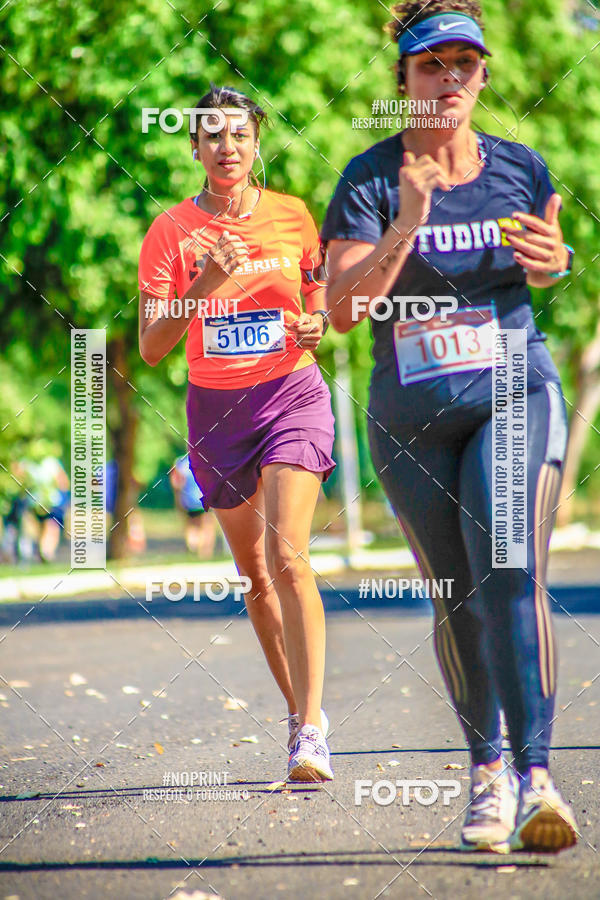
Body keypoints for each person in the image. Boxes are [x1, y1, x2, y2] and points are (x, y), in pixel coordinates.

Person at [322, 1, 578, 851]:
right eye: (431, 66)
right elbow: (344, 309)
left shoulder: (519, 167)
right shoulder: (366, 179)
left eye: (464, 65)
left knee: (509, 564)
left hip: (514, 395)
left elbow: (549, 258)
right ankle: (487, 774)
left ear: (483, 77)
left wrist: (560, 262)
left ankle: (538, 779)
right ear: (403, 80)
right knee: (457, 595)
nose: (449, 80)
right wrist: (405, 217)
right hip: (412, 423)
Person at [138, 85, 335, 781]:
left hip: (291, 396)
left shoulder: (292, 216)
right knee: (254, 577)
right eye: (212, 136)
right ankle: (297, 714)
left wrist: (318, 320)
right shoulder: (170, 232)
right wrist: (203, 286)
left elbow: (317, 293)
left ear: (258, 145)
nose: (227, 147)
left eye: (239, 136)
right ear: (194, 147)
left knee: (288, 557)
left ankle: (312, 729)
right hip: (217, 416)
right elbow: (152, 346)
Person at [169, 453, 217, 558]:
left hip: (188, 500)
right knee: (207, 526)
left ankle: (193, 548)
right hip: (205, 498)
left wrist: (178, 498)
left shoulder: (180, 462)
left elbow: (175, 483)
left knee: (191, 526)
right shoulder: (206, 458)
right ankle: (205, 553)